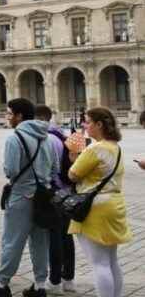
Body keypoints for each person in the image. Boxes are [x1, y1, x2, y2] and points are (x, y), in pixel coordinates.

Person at [0, 98, 58, 297]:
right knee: (40, 242)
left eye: (9, 113)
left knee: (12, 241)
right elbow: (55, 168)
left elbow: (11, 170)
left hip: (21, 196)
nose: (7, 117)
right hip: (44, 198)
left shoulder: (15, 138)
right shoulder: (46, 137)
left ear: (19, 116)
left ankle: (2, 284)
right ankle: (40, 286)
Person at [67, 108, 131, 297]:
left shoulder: (94, 149)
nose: (84, 126)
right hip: (114, 204)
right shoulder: (115, 146)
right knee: (111, 261)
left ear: (99, 125)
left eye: (87, 122)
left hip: (94, 208)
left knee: (99, 263)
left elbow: (73, 175)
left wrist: (73, 157)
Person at [37, 105, 76, 293]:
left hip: (55, 193)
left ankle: (55, 281)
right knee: (67, 237)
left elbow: (49, 170)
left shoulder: (47, 139)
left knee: (55, 238)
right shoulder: (61, 134)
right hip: (67, 191)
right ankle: (69, 278)